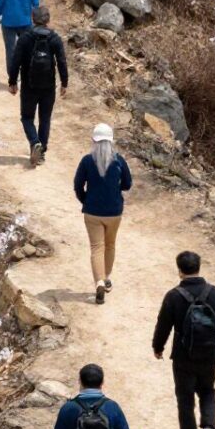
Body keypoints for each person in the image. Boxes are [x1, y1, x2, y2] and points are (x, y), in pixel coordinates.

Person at [152, 250, 215, 429]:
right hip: (209, 353)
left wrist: (157, 347)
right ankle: (208, 427)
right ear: (199, 267)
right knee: (207, 391)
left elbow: (163, 325)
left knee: (185, 400)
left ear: (179, 270)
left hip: (183, 356)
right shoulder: (214, 293)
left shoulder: (173, 296)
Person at [74, 123, 132, 304]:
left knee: (96, 247)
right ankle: (106, 278)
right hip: (114, 211)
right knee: (110, 245)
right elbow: (127, 184)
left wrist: (86, 200)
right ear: (111, 141)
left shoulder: (86, 160)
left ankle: (98, 281)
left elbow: (77, 185)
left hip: (93, 212)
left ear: (93, 140)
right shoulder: (119, 160)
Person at [15, 4, 69, 165]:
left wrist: (12, 81)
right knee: (45, 118)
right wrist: (64, 82)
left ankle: (34, 142)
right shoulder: (55, 38)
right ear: (48, 20)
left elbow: (15, 60)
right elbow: (61, 62)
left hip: (28, 85)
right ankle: (42, 152)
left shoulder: (25, 37)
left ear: (32, 18)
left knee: (27, 117)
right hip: (48, 86)